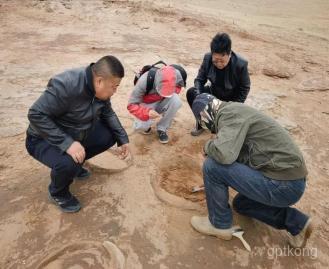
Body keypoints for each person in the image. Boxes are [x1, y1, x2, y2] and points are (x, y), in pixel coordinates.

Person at [190, 93, 312, 248]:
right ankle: (298, 223)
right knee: (241, 204)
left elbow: (224, 155)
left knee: (212, 166)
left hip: (283, 184)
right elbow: (239, 156)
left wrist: (207, 147)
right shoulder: (235, 110)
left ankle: (219, 224)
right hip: (291, 182)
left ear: (205, 116)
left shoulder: (229, 114)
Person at [26, 55, 130, 213]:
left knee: (110, 135)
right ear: (100, 81)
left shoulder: (100, 91)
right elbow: (36, 114)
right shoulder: (66, 85)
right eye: (114, 87)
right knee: (68, 163)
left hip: (77, 132)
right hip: (42, 139)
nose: (115, 92)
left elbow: (108, 113)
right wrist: (67, 143)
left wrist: (122, 139)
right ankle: (58, 193)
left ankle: (76, 162)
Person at [186, 32, 251, 136]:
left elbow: (245, 88)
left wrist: (235, 105)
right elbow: (199, 80)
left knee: (232, 124)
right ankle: (201, 123)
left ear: (229, 54)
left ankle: (222, 126)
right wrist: (199, 97)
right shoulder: (207, 58)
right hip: (214, 93)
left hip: (231, 98)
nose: (219, 64)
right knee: (191, 93)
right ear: (212, 54)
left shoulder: (241, 64)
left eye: (222, 61)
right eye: (215, 61)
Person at [127, 64, 187, 144]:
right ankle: (146, 128)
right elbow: (131, 105)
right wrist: (147, 112)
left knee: (176, 101)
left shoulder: (175, 76)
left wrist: (169, 93)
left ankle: (162, 128)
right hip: (146, 103)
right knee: (141, 126)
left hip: (162, 100)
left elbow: (178, 88)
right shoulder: (144, 81)